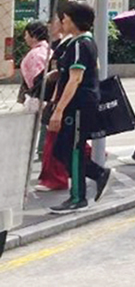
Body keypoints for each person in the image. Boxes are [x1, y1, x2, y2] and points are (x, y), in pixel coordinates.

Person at [47, 1, 111, 214]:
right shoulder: (75, 42)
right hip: (76, 105)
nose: (62, 22)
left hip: (78, 106)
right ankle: (98, 174)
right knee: (63, 149)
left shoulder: (80, 44)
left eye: (64, 18)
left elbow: (75, 79)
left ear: (74, 20)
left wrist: (59, 110)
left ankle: (78, 197)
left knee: (73, 149)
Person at [36, 10, 72, 193]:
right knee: (61, 140)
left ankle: (57, 178)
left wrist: (57, 105)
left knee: (56, 140)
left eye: (59, 20)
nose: (54, 24)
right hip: (58, 96)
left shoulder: (75, 44)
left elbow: (72, 78)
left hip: (64, 99)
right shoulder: (62, 44)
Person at [18, 20, 50, 107]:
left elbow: (35, 78)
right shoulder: (49, 49)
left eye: (26, 34)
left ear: (34, 36)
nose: (25, 38)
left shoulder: (34, 55)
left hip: (37, 97)